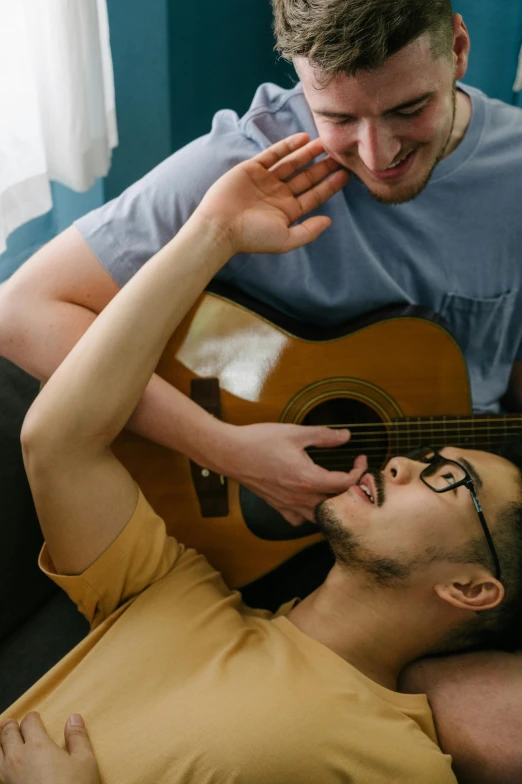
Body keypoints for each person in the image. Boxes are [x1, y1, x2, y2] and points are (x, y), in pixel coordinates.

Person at [1, 0, 522, 777]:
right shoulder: (250, 164)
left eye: (408, 108)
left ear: (457, 48)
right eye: (338, 117)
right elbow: (21, 314)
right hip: (238, 497)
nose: (375, 153)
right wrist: (225, 448)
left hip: (429, 529)